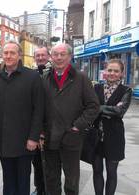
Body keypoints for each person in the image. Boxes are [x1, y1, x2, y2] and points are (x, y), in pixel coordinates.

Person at [0, 40, 44, 195]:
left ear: (19, 55)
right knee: (8, 180)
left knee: (22, 181)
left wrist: (33, 137)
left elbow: (39, 110)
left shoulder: (32, 77)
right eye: (5, 53)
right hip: (3, 139)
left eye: (12, 53)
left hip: (25, 141)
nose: (8, 56)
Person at [43, 43, 99, 195]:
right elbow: (40, 106)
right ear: (51, 57)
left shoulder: (81, 78)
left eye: (63, 54)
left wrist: (78, 126)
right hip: (50, 137)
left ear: (69, 57)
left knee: (71, 178)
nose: (59, 57)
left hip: (72, 137)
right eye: (55, 54)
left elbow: (93, 106)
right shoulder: (45, 78)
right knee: (51, 177)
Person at [92, 59, 132, 195]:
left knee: (111, 172)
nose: (112, 73)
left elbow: (120, 111)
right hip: (96, 136)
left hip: (115, 137)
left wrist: (99, 108)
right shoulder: (96, 88)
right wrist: (110, 110)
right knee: (97, 171)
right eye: (109, 70)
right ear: (105, 72)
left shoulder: (126, 90)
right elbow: (90, 108)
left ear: (121, 74)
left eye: (116, 71)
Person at [31, 45, 51, 195]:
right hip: (34, 127)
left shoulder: (53, 74)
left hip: (51, 127)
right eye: (37, 56)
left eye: (43, 55)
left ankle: (49, 189)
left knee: (51, 163)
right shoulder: (31, 75)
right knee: (37, 162)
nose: (40, 58)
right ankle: (39, 188)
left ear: (48, 56)